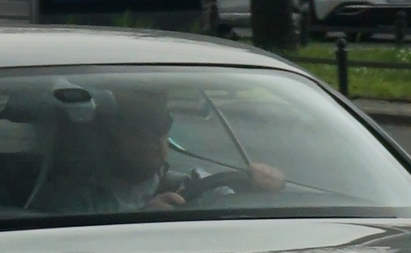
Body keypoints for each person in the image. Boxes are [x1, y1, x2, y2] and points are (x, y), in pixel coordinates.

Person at [29, 85, 285, 216]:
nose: (154, 139)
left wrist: (267, 189)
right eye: (139, 129)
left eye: (162, 127)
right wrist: (138, 222)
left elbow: (244, 218)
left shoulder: (194, 183)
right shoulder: (73, 199)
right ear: (109, 135)